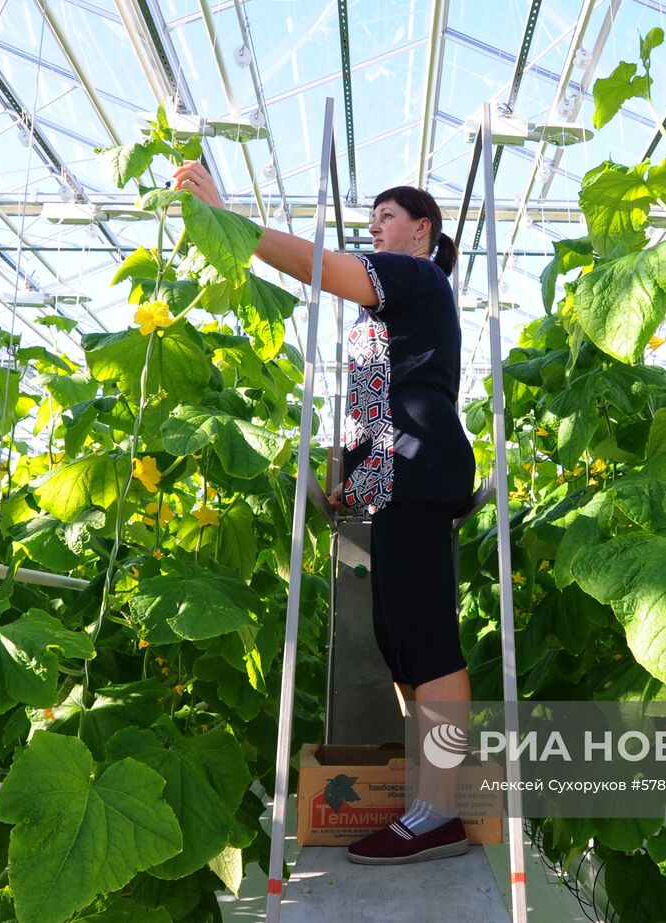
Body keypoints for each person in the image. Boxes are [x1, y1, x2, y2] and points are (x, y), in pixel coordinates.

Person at [173, 162, 478, 866]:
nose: (374, 231)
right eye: (371, 223)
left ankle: (442, 811)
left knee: (427, 637)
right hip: (397, 474)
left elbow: (317, 265)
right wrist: (358, 477)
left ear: (421, 230)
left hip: (424, 465)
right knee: (398, 635)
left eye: (385, 220)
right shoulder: (382, 319)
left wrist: (230, 218)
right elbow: (373, 408)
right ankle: (428, 798)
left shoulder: (416, 276)